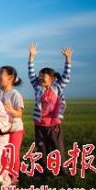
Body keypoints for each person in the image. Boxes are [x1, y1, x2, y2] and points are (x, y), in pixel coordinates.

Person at [28, 43, 72, 176]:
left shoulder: (58, 87)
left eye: (43, 77)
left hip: (54, 125)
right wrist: (31, 57)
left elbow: (66, 76)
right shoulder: (37, 87)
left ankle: (62, 172)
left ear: (52, 79)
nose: (40, 79)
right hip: (40, 124)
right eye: (40, 76)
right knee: (41, 148)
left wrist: (68, 60)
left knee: (57, 148)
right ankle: (42, 171)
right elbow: (31, 74)